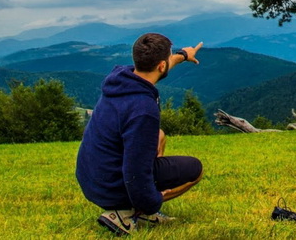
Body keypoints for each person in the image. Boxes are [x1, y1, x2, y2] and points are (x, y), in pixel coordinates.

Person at [76, 33, 205, 235]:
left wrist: (183, 55)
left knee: (159, 135)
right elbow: (134, 171)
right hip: (109, 187)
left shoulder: (121, 81)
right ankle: (128, 214)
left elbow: (163, 65)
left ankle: (132, 206)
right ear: (161, 66)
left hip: (91, 177)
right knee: (195, 170)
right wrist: (151, 201)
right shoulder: (143, 109)